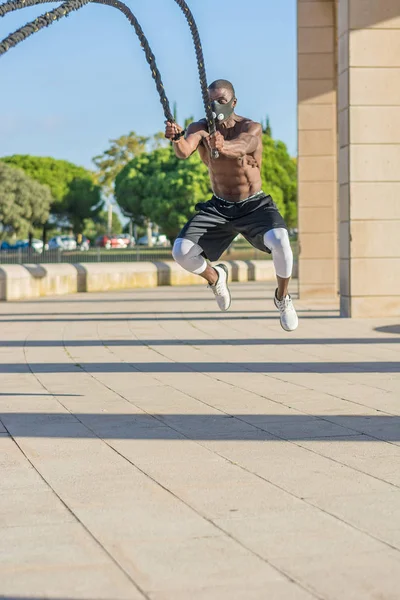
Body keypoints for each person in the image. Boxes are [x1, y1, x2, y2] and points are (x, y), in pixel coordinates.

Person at [165, 79, 298, 332]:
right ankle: (216, 278)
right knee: (181, 252)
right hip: (219, 206)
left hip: (254, 204)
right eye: (210, 102)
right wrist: (177, 137)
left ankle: (283, 297)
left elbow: (243, 145)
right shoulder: (201, 128)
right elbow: (184, 151)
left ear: (233, 102)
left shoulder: (251, 127)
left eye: (221, 101)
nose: (215, 107)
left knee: (281, 241)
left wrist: (223, 145)